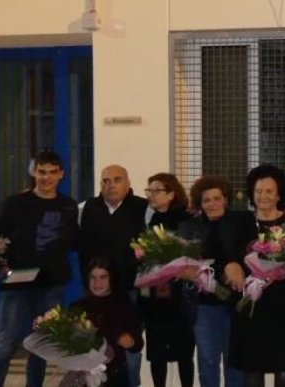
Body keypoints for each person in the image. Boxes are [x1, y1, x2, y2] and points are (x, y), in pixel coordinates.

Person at [0, 150, 80, 387]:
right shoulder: (15, 203)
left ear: (61, 175)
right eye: (41, 172)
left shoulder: (68, 206)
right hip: (16, 284)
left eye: (52, 172)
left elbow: (73, 241)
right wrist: (1, 261)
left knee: (40, 345)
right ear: (34, 172)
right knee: (5, 344)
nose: (46, 178)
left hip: (52, 285)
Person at [231, 165, 285, 387]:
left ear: (279, 194)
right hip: (251, 303)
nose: (263, 196)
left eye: (269, 191)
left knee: (284, 365)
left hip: (282, 303)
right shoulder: (241, 222)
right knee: (252, 367)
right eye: (258, 191)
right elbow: (233, 255)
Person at [179, 175, 253, 387]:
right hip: (204, 305)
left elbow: (251, 253)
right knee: (208, 360)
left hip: (237, 302)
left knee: (235, 362)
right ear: (200, 204)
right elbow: (187, 262)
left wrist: (235, 264)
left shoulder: (242, 220)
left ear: (226, 199)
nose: (212, 204)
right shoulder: (188, 227)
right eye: (206, 200)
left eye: (217, 198)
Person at [79, 165, 149, 387]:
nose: (110, 185)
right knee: (94, 346)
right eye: (105, 181)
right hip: (96, 291)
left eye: (117, 180)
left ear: (128, 184)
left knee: (129, 345)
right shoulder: (88, 208)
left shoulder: (143, 208)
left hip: (130, 291)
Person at [141, 173, 196, 387]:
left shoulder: (186, 219)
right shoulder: (152, 219)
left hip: (180, 296)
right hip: (156, 296)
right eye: (149, 191)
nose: (152, 195)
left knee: (184, 353)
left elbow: (193, 253)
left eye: (157, 191)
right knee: (156, 353)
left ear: (171, 194)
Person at [72, 258, 144, 387]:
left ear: (111, 279)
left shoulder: (124, 307)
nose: (97, 282)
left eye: (103, 277)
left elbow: (138, 344)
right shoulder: (77, 308)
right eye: (93, 277)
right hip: (83, 377)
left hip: (114, 377)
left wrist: (130, 341)